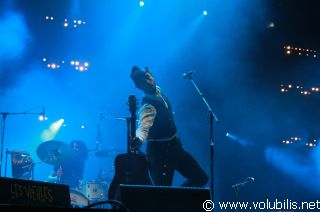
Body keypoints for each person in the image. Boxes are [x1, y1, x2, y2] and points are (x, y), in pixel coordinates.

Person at [130, 66, 208, 187]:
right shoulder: (148, 107)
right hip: (160, 154)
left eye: (148, 77)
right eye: (143, 82)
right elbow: (144, 127)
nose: (148, 82)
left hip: (175, 148)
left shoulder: (158, 90)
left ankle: (174, 199)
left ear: (151, 75)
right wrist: (139, 138)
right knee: (163, 193)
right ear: (140, 87)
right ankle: (171, 199)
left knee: (201, 178)